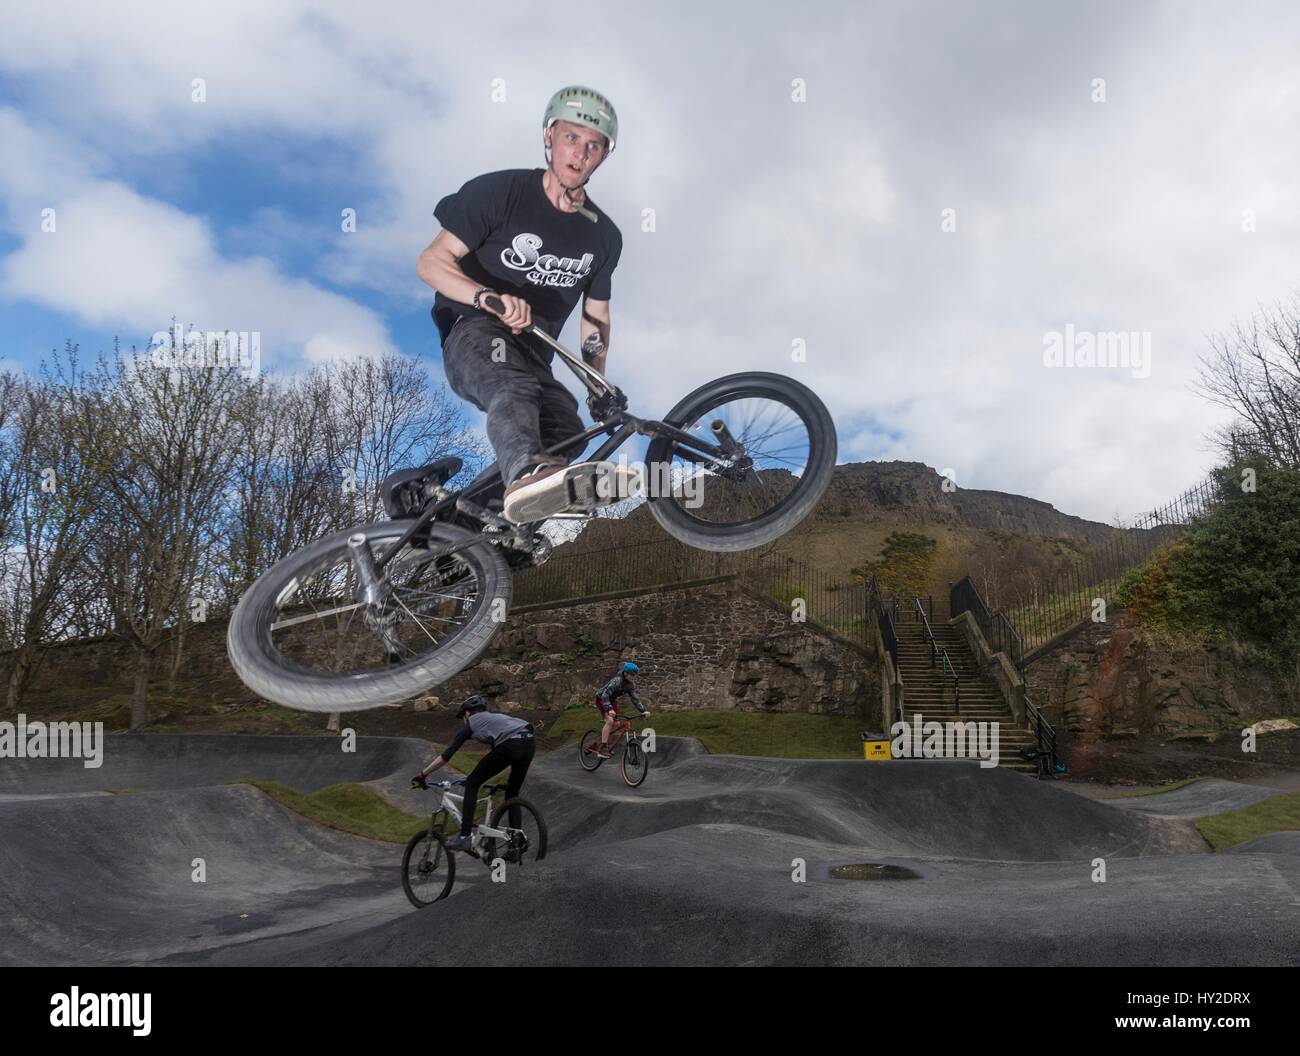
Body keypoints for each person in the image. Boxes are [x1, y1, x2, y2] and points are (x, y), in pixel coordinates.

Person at [416, 84, 635, 524]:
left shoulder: (604, 237)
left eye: (594, 146)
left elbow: (596, 317)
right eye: (572, 138)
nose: (580, 153)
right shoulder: (500, 192)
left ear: (603, 157)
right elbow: (431, 262)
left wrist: (597, 385)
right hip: (473, 331)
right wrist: (487, 297)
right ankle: (528, 473)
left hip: (534, 353)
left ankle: (460, 526)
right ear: (549, 136)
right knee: (514, 389)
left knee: (566, 435)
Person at [412, 695, 535, 851]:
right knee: (512, 792)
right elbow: (495, 757)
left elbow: (445, 757)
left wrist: (423, 774)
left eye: (463, 716)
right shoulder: (495, 719)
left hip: (510, 743)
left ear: (467, 713)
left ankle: (464, 836)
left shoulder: (471, 723)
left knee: (472, 783)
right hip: (529, 740)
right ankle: (516, 841)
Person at [594, 661, 648, 758]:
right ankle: (602, 748)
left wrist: (643, 711)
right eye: (631, 675)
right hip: (602, 698)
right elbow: (605, 695)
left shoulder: (630, 685)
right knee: (610, 720)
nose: (633, 677)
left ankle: (602, 740)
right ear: (625, 673)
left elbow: (635, 699)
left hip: (612, 700)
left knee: (617, 724)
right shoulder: (617, 681)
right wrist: (609, 709)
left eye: (634, 675)